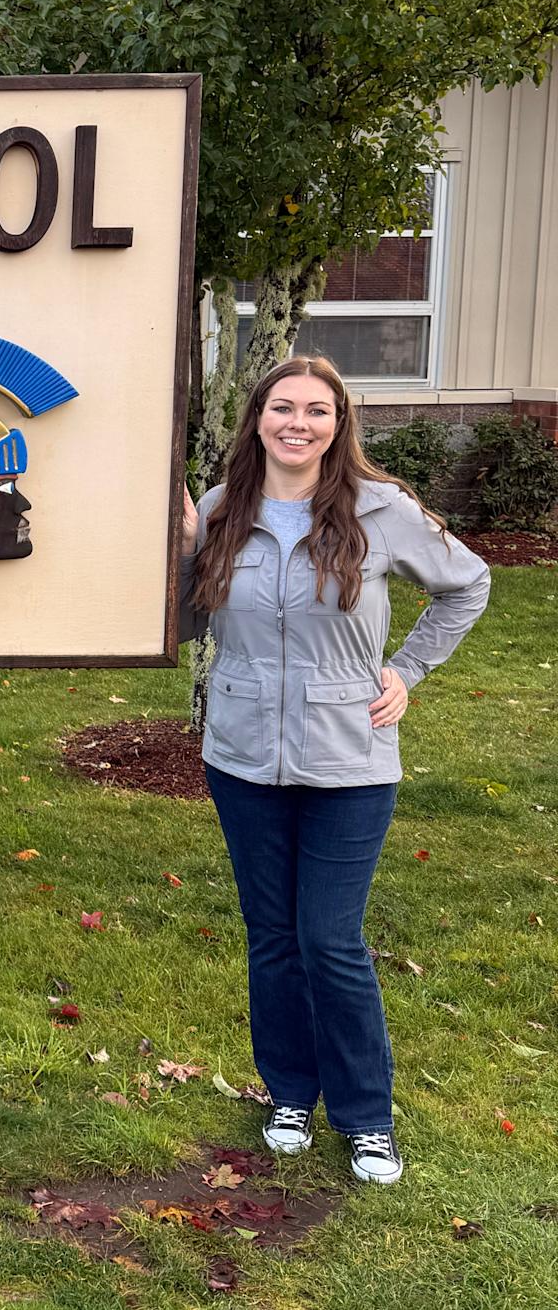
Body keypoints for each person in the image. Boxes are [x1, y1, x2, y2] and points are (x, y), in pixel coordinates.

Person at [176, 355, 491, 1185]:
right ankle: (289, 1093)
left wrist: (408, 671)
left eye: (318, 410)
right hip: (241, 755)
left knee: (330, 938)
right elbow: (174, 623)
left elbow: (468, 584)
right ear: (258, 419)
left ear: (338, 424)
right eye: (283, 407)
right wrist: (176, 553)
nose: (298, 423)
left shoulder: (380, 510)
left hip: (349, 757)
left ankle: (365, 1118)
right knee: (273, 936)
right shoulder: (219, 510)